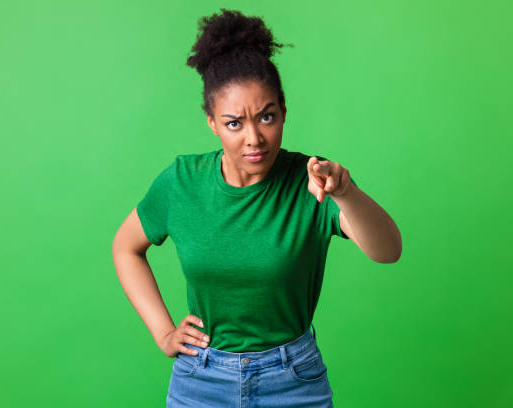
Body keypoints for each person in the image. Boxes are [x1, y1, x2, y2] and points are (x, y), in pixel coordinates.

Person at [111, 8, 402, 408]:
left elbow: (388, 251)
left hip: (293, 379)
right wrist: (163, 333)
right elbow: (125, 248)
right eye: (234, 123)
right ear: (212, 122)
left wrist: (346, 192)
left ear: (283, 110)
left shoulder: (314, 180)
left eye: (267, 117)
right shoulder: (181, 182)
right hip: (201, 379)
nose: (255, 138)